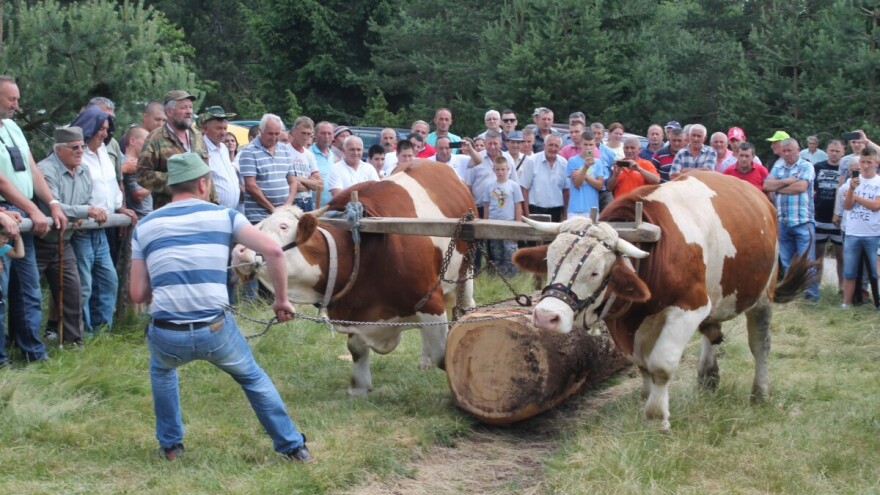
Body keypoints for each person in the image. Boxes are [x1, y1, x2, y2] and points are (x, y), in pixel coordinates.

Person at [130, 152, 313, 463]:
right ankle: (293, 446)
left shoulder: (145, 225)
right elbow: (273, 251)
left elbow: (137, 294)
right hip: (214, 329)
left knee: (162, 371)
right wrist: (282, 300)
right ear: (203, 183)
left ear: (171, 186)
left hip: (167, 333)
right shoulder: (225, 216)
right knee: (252, 378)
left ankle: (171, 447)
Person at [0, 75, 67, 364]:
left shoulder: (13, 127)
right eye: (11, 99)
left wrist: (51, 203)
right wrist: (34, 209)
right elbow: (2, 181)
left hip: (24, 211)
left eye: (16, 98)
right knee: (0, 290)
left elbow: (32, 171)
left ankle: (31, 351)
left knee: (28, 288)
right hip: (5, 213)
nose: (17, 104)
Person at [70, 107, 137, 333]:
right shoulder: (78, 153)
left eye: (107, 129)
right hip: (82, 227)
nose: (104, 134)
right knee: (84, 285)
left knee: (108, 280)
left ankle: (102, 330)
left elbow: (112, 184)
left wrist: (121, 207)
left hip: (102, 227)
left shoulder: (105, 152)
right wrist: (87, 209)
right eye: (100, 129)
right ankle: (83, 333)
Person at [36, 127, 105, 348]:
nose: (80, 151)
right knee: (28, 295)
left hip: (63, 241)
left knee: (73, 292)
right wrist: (84, 212)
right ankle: (24, 344)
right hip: (37, 241)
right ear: (58, 150)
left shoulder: (83, 170)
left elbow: (85, 201)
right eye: (74, 147)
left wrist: (81, 211)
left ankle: (74, 342)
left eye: (82, 146)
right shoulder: (45, 170)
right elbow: (53, 206)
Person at [763, 138, 820, 302]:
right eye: (784, 151)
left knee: (807, 261)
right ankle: (793, 294)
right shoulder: (778, 165)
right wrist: (788, 181)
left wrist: (778, 186)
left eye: (790, 150)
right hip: (783, 220)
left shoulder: (806, 165)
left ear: (798, 150)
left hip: (803, 220)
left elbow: (801, 187)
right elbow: (766, 186)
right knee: (787, 262)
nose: (786, 154)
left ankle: (812, 295)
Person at [137, 90, 209, 209]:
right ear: (170, 112)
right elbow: (142, 175)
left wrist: (214, 202)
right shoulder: (155, 138)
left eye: (190, 107)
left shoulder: (197, 136)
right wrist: (178, 181)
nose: (189, 112)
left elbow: (207, 173)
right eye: (184, 108)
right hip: (170, 211)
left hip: (200, 209)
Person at [239, 114, 299, 223]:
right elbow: (250, 186)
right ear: (260, 131)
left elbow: (293, 182)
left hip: (283, 215)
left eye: (277, 134)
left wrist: (286, 206)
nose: (274, 137)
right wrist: (273, 209)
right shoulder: (249, 151)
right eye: (270, 133)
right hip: (259, 217)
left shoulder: (285, 150)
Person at [841, 147, 880, 308]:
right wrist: (851, 189)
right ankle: (846, 303)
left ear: (876, 163)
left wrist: (856, 196)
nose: (865, 166)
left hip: (873, 233)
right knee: (849, 272)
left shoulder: (878, 182)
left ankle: (877, 304)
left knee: (876, 272)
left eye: (868, 162)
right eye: (862, 162)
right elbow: (848, 206)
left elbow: (876, 206)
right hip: (852, 232)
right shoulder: (852, 183)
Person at [812, 139, 845, 291]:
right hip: (819, 217)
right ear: (827, 151)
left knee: (841, 256)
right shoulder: (818, 167)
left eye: (837, 151)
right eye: (832, 150)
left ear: (843, 152)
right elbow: (811, 190)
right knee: (818, 256)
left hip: (838, 219)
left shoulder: (845, 169)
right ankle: (816, 287)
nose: (834, 153)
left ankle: (842, 288)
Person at [482, 156, 523, 277]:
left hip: (509, 223)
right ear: (493, 170)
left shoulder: (514, 186)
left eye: (503, 169)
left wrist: (518, 225)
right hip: (494, 223)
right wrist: (485, 224)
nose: (500, 172)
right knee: (496, 251)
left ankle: (513, 276)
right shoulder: (489, 186)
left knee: (510, 251)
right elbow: (486, 206)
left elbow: (518, 206)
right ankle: (499, 276)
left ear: (508, 169)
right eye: (498, 169)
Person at [519, 134, 569, 220]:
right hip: (535, 210)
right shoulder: (532, 161)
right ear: (544, 145)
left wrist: (565, 215)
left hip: (556, 211)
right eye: (550, 145)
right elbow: (524, 189)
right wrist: (527, 215)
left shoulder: (564, 163)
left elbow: (566, 191)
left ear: (560, 148)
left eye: (556, 146)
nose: (553, 148)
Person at [200, 106, 241, 211]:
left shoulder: (223, 148)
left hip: (231, 211)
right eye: (218, 128)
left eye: (225, 128)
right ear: (205, 129)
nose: (223, 132)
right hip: (213, 212)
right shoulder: (201, 150)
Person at [566, 129, 608, 218]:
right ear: (581, 143)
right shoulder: (572, 161)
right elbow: (577, 184)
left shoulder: (598, 163)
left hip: (592, 209)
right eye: (585, 144)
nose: (588, 148)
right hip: (575, 209)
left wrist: (583, 175)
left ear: (594, 145)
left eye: (591, 145)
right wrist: (585, 167)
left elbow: (600, 185)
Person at [286, 117, 322, 212]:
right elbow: (288, 183)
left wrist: (299, 179)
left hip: (308, 202)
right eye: (303, 133)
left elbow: (319, 184)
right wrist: (309, 184)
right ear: (294, 131)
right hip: (292, 201)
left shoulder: (309, 155)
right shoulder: (284, 151)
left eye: (309, 134)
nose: (306, 137)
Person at [122, 126, 152, 219]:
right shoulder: (131, 163)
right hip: (139, 217)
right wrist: (154, 184)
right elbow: (137, 194)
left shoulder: (136, 162)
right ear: (132, 141)